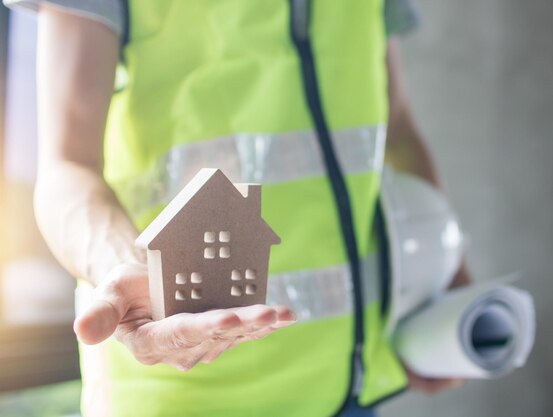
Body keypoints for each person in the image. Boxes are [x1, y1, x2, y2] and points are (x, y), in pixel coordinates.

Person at [5, 0, 471, 415]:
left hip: (350, 386)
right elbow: (67, 167)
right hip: (185, 393)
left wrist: (445, 267)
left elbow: (399, 129)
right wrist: (121, 266)